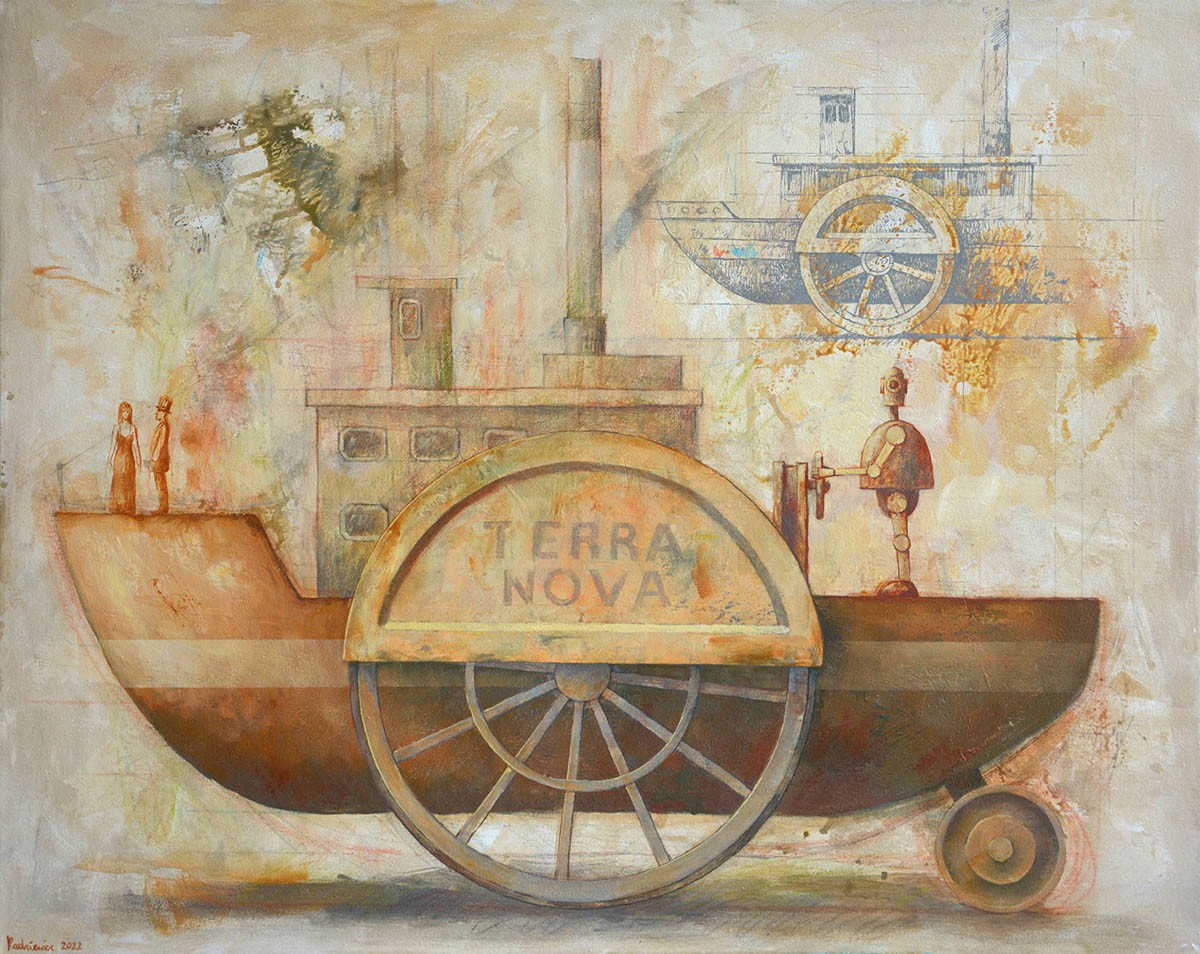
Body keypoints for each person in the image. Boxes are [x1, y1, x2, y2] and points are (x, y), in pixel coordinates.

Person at [107, 401, 140, 514]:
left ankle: (128, 508)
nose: (125, 414)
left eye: (127, 411)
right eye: (123, 411)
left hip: (129, 459)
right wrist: (109, 460)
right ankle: (118, 507)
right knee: (118, 481)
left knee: (128, 481)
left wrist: (138, 461)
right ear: (120, 413)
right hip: (119, 459)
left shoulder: (133, 428)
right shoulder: (117, 428)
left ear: (130, 413)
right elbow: (113, 446)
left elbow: (136, 446)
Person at [148, 395, 172, 514]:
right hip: (159, 457)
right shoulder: (162, 425)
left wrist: (154, 458)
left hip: (159, 458)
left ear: (164, 413)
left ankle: (163, 508)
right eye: (158, 410)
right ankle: (162, 507)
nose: (157, 413)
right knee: (159, 481)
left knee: (160, 482)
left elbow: (161, 443)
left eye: (160, 411)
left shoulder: (164, 426)